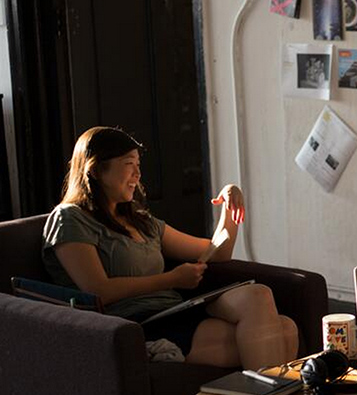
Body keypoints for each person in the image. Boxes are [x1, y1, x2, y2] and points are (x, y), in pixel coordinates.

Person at [42, 127, 298, 370]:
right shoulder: (70, 218)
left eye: (138, 165)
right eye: (129, 165)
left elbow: (218, 251)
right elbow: (97, 290)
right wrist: (172, 279)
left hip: (175, 309)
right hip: (136, 323)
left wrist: (230, 202)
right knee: (280, 332)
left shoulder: (141, 221)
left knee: (262, 298)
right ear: (96, 170)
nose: (137, 175)